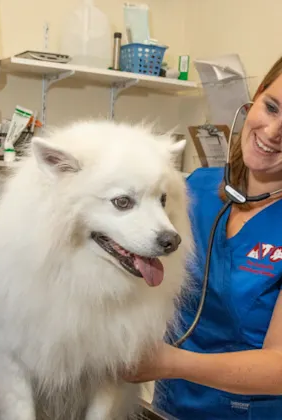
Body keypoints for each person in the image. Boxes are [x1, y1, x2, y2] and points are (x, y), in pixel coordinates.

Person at [122, 55, 282, 419]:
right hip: (169, 405)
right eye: (271, 107)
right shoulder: (196, 187)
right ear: (255, 98)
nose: (272, 132)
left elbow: (279, 366)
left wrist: (167, 362)